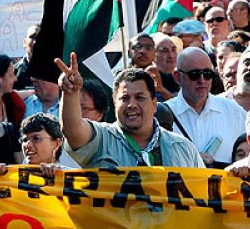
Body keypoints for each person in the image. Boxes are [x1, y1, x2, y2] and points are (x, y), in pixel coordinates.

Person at [57, 54, 202, 168]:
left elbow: (204, 191)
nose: (131, 104)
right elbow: (73, 130)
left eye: (140, 98)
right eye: (125, 98)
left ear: (154, 104)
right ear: (115, 104)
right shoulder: (101, 138)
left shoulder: (183, 147)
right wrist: (70, 93)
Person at [165, 48, 246, 167]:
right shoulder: (163, 114)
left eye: (208, 74)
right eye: (194, 75)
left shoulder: (234, 112)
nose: (202, 80)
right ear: (177, 77)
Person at [14, 24, 40, 90]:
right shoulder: (13, 73)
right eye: (33, 37)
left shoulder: (58, 74)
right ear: (24, 42)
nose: (36, 42)